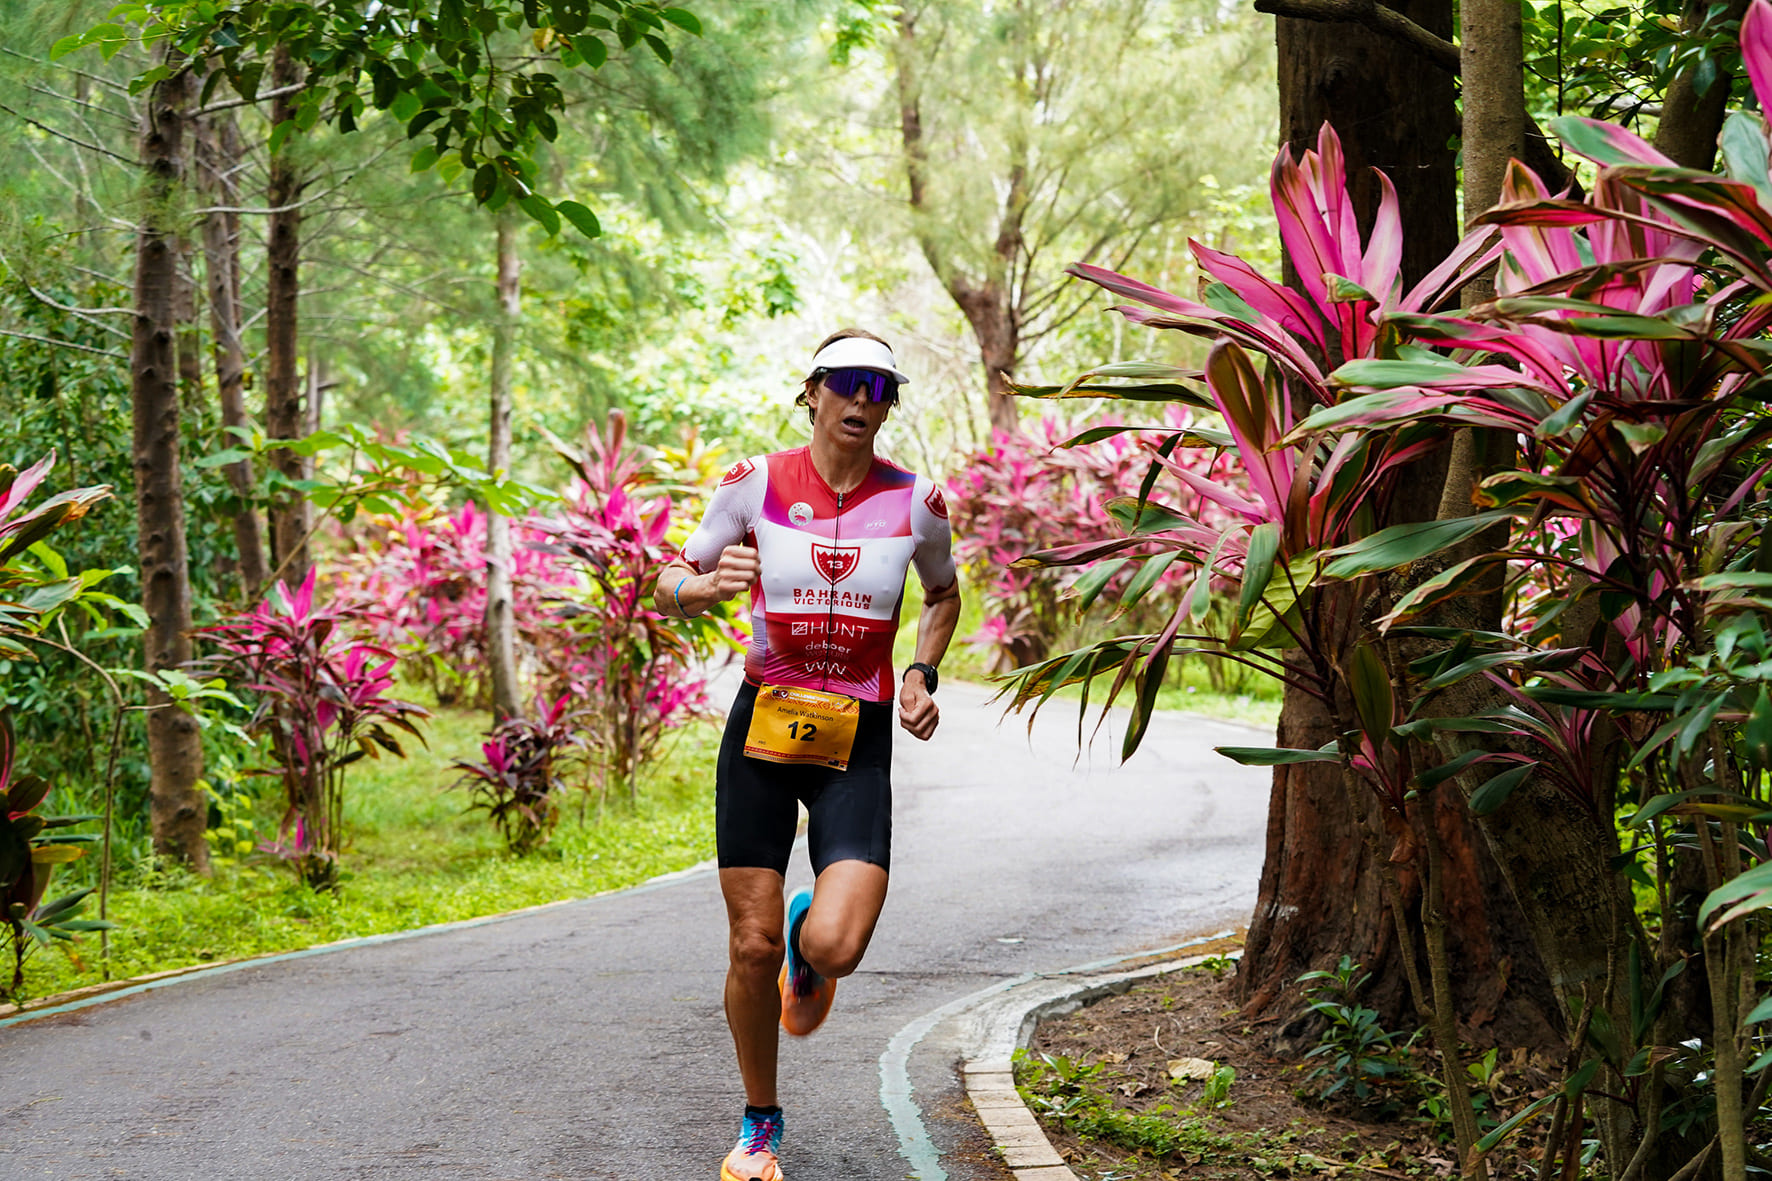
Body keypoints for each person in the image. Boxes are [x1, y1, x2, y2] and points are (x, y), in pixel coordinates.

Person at [654, 329, 961, 1181]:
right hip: (762, 728)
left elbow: (943, 593)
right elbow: (668, 581)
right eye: (849, 384)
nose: (865, 401)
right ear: (813, 392)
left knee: (836, 945)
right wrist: (702, 587)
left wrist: (920, 670)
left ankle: (807, 937)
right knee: (748, 947)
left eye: (882, 389)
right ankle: (760, 1123)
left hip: (855, 737)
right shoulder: (754, 483)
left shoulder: (918, 503)